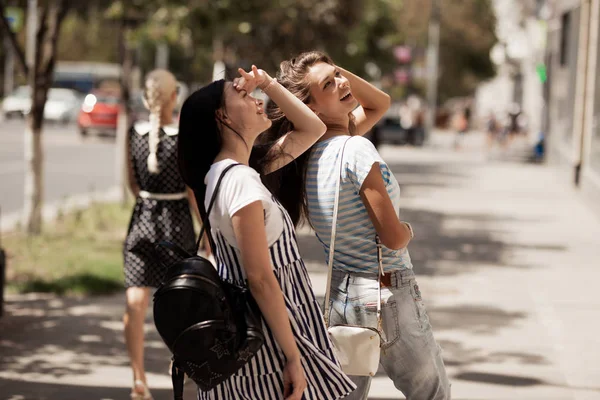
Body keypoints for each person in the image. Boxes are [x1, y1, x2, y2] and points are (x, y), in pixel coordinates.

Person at [262, 51, 451, 400]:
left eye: (339, 75)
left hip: (343, 299)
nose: (343, 82)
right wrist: (408, 229)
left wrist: (330, 76)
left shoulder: (306, 156)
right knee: (433, 394)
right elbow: (393, 239)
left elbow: (380, 103)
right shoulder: (356, 148)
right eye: (329, 84)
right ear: (312, 109)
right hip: (388, 294)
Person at [177, 66, 355, 400]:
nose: (257, 99)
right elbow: (259, 277)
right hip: (271, 347)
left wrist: (268, 83)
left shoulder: (224, 174)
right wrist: (292, 356)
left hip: (255, 340)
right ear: (223, 117)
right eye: (243, 95)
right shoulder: (241, 181)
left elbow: (313, 127)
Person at [123, 69, 205, 400]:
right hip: (177, 225)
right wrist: (206, 231)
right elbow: (190, 192)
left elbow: (131, 183)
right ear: (175, 97)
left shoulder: (134, 133)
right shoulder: (184, 136)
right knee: (181, 304)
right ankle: (181, 368)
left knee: (135, 303)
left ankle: (138, 379)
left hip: (143, 219)